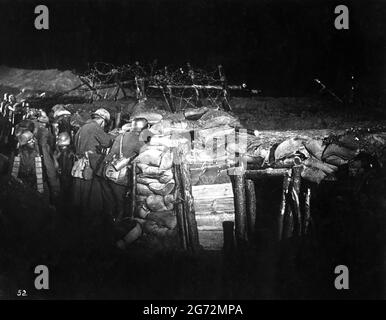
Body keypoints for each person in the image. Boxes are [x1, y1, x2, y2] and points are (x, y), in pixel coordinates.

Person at [103, 117, 151, 222]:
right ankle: (121, 228)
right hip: (123, 177)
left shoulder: (121, 136)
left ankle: (111, 223)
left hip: (111, 173)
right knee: (122, 206)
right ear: (144, 128)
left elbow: (110, 155)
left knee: (113, 203)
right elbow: (145, 154)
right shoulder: (140, 139)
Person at [72, 108, 114, 228]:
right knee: (91, 195)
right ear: (102, 120)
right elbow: (107, 142)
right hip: (89, 165)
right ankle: (90, 224)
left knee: (79, 195)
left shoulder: (82, 127)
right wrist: (113, 136)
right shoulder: (94, 127)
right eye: (104, 123)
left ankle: (79, 221)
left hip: (79, 165)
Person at [10, 130, 60, 204]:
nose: (33, 141)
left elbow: (50, 170)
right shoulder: (17, 153)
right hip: (23, 190)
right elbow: (12, 173)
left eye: (33, 139)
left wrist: (54, 188)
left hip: (38, 189)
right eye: (30, 140)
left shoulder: (40, 150)